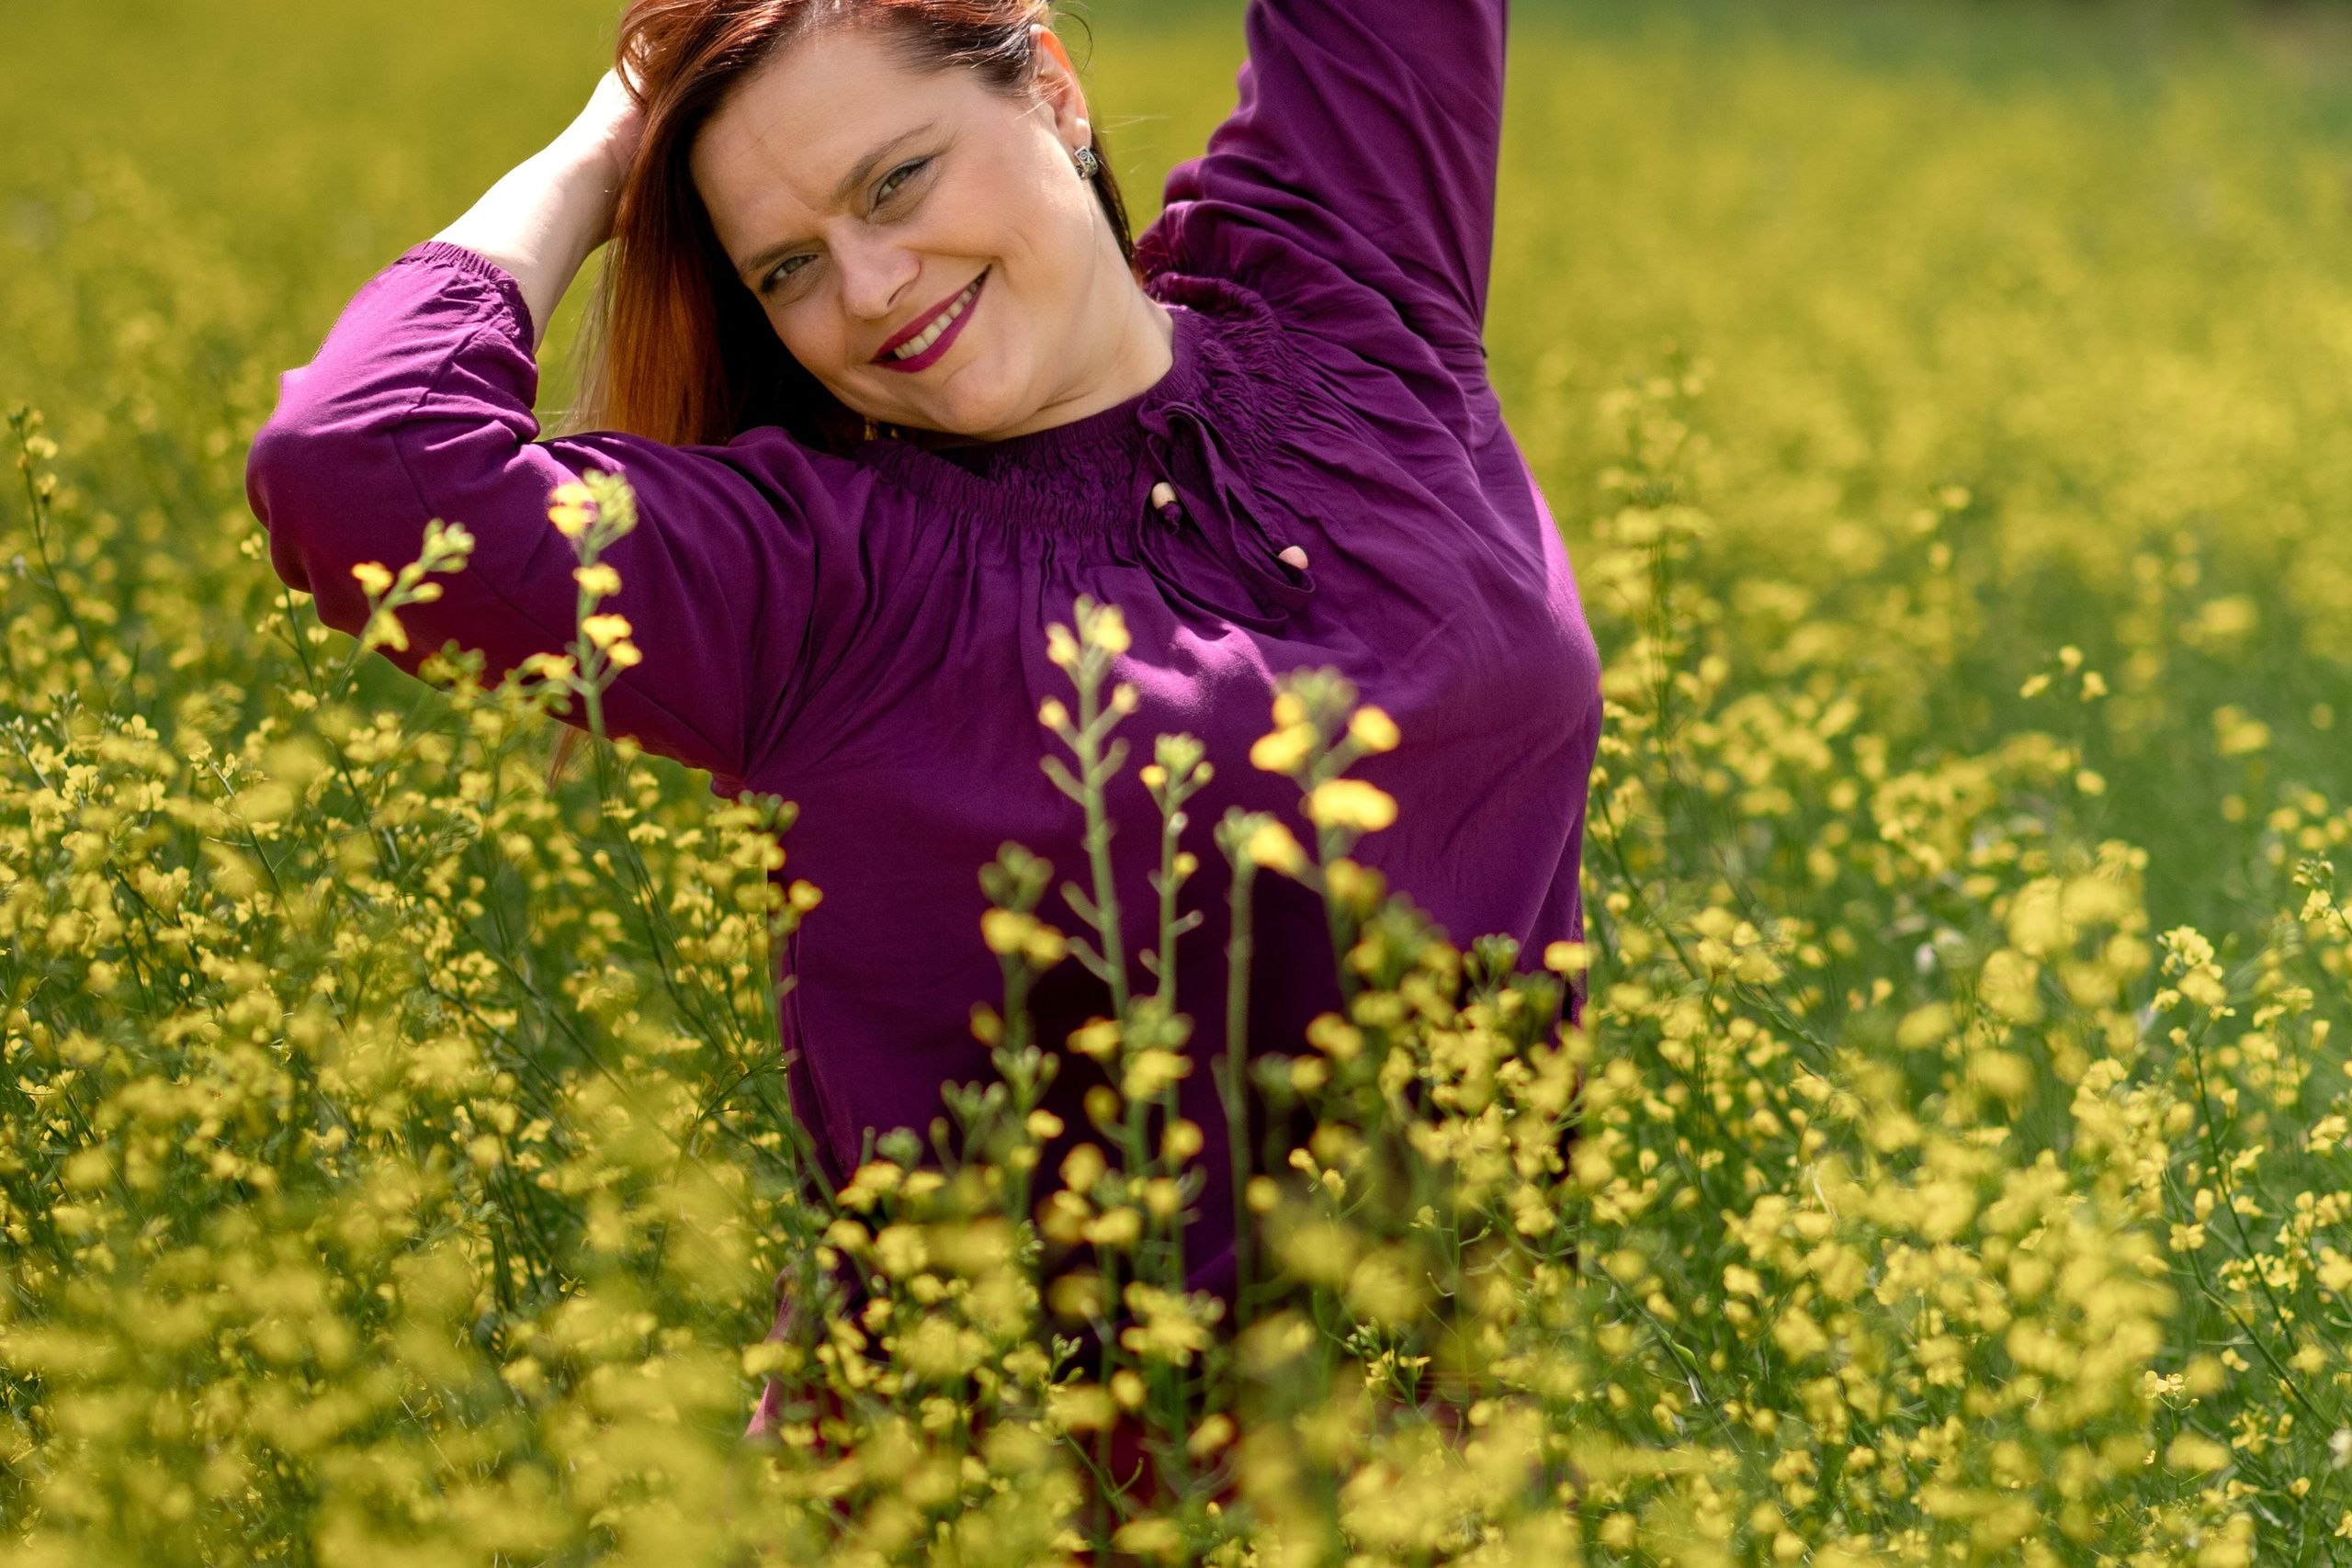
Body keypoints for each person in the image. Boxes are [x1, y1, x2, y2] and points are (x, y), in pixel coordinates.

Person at [247, 0, 1601, 1348]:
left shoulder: (1342, 290)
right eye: (787, 270)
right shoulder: (814, 583)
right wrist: (607, 143)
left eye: (895, 181)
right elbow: (351, 458)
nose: (874, 287)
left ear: (1054, 93)